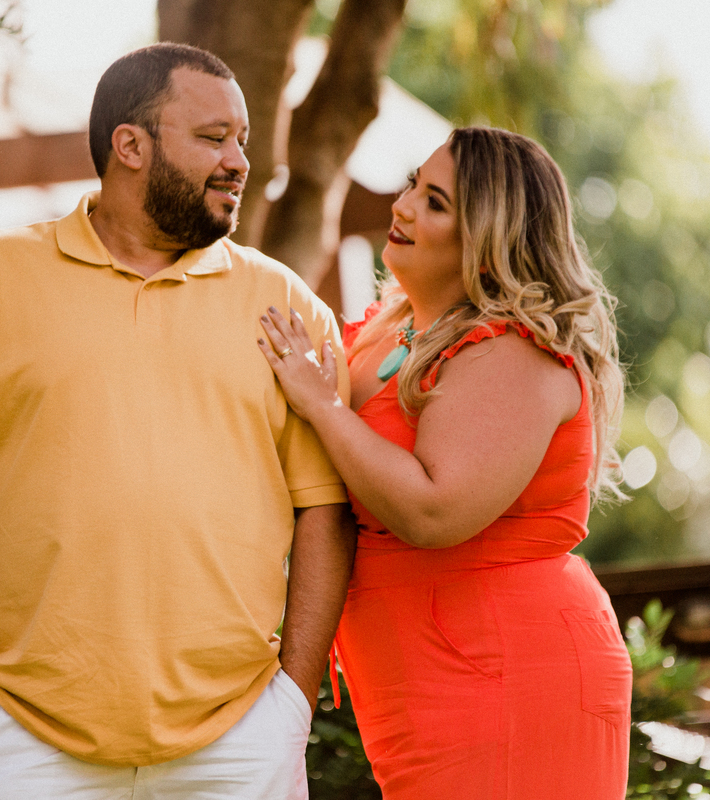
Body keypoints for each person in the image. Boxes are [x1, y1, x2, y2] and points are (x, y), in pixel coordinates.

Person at [0, 43, 355, 800]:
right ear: (130, 145)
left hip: (238, 745)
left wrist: (293, 696)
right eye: (213, 137)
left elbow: (325, 505)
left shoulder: (289, 307)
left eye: (242, 140)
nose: (239, 162)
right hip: (21, 745)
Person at [258, 126, 632, 798]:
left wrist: (322, 405)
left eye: (434, 203)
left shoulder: (512, 352)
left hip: (507, 673)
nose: (401, 207)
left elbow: (433, 510)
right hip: (424, 678)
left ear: (488, 244)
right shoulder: (385, 331)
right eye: (413, 185)